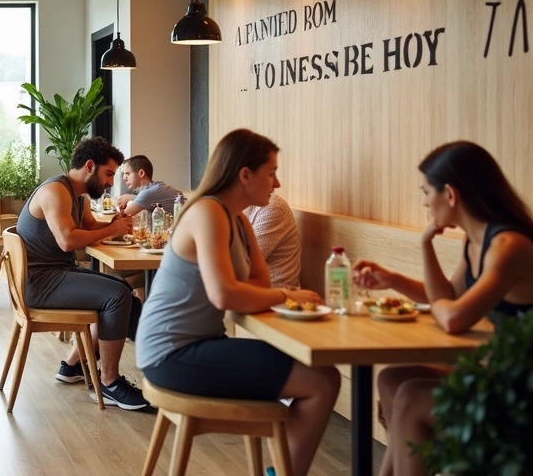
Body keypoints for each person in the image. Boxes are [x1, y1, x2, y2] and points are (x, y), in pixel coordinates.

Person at [135, 129, 340, 476]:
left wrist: (262, 291)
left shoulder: (237, 217)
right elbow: (226, 295)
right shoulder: (207, 213)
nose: (277, 183)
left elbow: (255, 285)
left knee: (322, 376)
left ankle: (280, 471)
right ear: (245, 174)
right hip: (171, 353)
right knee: (322, 380)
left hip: (195, 344)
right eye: (271, 172)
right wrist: (287, 294)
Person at [353, 141, 533, 476]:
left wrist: (440, 303)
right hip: (498, 378)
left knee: (410, 397)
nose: (424, 202)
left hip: (519, 397)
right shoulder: (477, 241)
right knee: (393, 379)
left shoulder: (509, 246)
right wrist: (397, 272)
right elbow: (449, 296)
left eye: (425, 192)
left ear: (449, 194)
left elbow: (450, 317)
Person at [16, 137, 149, 410]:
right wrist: (111, 231)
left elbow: (88, 229)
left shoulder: (77, 194)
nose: (111, 182)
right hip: (40, 283)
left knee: (124, 292)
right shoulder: (56, 191)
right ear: (90, 166)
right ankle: (111, 382)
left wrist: (114, 223)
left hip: (55, 274)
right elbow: (67, 241)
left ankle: (74, 365)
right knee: (117, 296)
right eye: (109, 174)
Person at [245, 192, 302, 290]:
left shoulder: (272, 208)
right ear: (244, 177)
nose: (277, 184)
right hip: (248, 294)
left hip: (277, 297)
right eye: (270, 175)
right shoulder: (236, 208)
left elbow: (243, 264)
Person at [114, 154, 183, 216]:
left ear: (141, 173)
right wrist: (131, 197)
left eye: (127, 173)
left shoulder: (148, 193)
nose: (124, 178)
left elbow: (123, 216)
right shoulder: (155, 188)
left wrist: (115, 207)